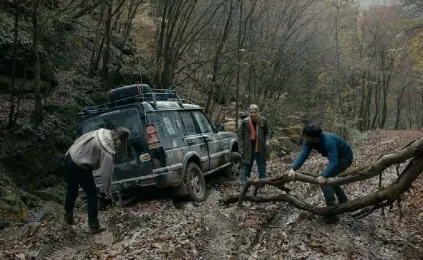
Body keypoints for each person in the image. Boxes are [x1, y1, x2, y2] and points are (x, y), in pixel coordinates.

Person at [63, 127, 130, 233]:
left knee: (72, 188)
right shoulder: (108, 150)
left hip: (70, 156)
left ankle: (68, 216)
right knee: (92, 194)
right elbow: (106, 175)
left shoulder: (103, 132)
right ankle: (93, 225)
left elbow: (81, 138)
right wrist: (108, 194)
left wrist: (68, 153)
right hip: (80, 164)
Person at [287, 123, 353, 223]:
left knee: (325, 181)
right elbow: (303, 154)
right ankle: (344, 202)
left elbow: (334, 162)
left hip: (345, 158)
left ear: (314, 137)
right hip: (337, 159)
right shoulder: (309, 141)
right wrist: (292, 168)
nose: (304, 138)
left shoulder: (328, 141)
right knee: (331, 179)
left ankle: (332, 211)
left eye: (306, 136)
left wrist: (323, 175)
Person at [237, 104, 269, 192]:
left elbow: (267, 132)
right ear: (249, 113)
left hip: (260, 147)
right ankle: (244, 186)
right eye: (251, 112)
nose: (253, 114)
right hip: (248, 148)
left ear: (258, 112)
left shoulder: (263, 121)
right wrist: (241, 148)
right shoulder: (245, 122)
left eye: (255, 112)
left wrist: (267, 140)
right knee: (247, 168)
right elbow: (240, 136)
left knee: (262, 168)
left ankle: (262, 186)